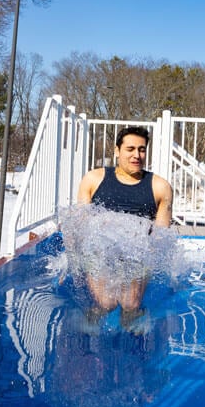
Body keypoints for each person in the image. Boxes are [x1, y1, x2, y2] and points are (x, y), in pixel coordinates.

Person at [74, 126, 175, 315]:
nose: (137, 155)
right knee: (106, 303)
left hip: (136, 253)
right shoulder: (94, 179)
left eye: (142, 149)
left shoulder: (160, 187)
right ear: (117, 151)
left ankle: (134, 322)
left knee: (130, 304)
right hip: (100, 250)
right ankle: (91, 319)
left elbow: (160, 238)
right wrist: (74, 263)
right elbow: (80, 227)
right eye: (130, 149)